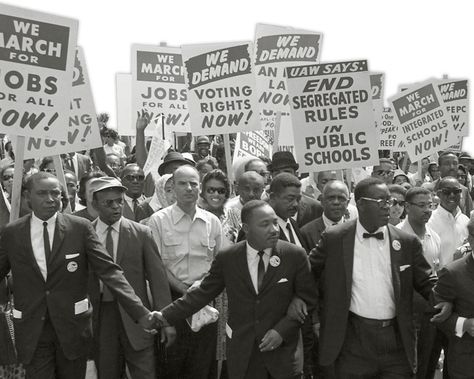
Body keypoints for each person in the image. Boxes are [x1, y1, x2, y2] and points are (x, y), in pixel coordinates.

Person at [0, 172, 160, 379]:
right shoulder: (12, 233)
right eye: (42, 193)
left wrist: (140, 313)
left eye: (55, 194)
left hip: (73, 328)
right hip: (33, 329)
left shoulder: (79, 228)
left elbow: (110, 272)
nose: (50, 199)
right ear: (27, 196)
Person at [155, 200, 318, 379]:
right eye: (265, 224)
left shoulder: (294, 255)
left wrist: (282, 330)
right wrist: (164, 316)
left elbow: (307, 298)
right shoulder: (228, 258)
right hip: (244, 354)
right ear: (246, 228)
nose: (274, 229)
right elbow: (202, 294)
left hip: (283, 355)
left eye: (274, 222)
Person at [309, 177, 451, 378]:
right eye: (381, 202)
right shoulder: (335, 238)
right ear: (360, 203)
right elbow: (307, 276)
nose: (389, 207)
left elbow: (426, 280)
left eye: (390, 201)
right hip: (352, 340)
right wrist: (314, 315)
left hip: (396, 339)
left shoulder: (406, 241)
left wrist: (443, 299)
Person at [88, 176, 175, 378]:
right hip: (102, 317)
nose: (116, 207)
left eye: (119, 200)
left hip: (138, 317)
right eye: (108, 203)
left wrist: (166, 320)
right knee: (107, 371)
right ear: (94, 204)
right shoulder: (86, 233)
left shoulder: (141, 233)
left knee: (144, 373)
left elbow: (157, 280)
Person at [148, 165, 222, 379]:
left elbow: (219, 263)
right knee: (172, 365)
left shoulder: (212, 222)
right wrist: (184, 289)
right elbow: (158, 265)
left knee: (202, 365)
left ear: (200, 187)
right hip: (173, 301)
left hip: (205, 302)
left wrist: (201, 290)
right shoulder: (159, 221)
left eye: (193, 183)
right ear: (172, 187)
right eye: (182, 183)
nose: (189, 188)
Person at [397, 187, 442, 379]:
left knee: (427, 363)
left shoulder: (435, 237)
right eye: (421, 205)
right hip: (404, 314)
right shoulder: (395, 236)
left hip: (430, 312)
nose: (427, 210)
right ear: (407, 207)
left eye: (430, 205)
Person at [433, 219, 474, 378]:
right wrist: (464, 324)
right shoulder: (452, 272)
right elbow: (436, 314)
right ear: (471, 239)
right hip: (467, 364)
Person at [268, 151, 323, 228]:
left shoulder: (316, 208)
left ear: (296, 174)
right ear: (272, 176)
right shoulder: (262, 209)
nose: (282, 176)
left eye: (287, 172)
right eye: (277, 172)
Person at [428, 177, 470, 268]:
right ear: (439, 194)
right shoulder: (430, 222)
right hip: (441, 279)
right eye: (446, 191)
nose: (452, 195)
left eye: (456, 191)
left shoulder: (466, 221)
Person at [301, 180, 350, 251]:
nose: (336, 202)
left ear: (348, 202)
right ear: (322, 201)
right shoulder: (306, 233)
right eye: (331, 198)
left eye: (341, 198)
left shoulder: (354, 231)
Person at [268, 173, 307, 250]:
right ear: (273, 198)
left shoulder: (292, 223)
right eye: (290, 199)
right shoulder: (262, 229)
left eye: (298, 199)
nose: (296, 204)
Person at [433, 152, 473, 216]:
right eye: (447, 164)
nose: (452, 167)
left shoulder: (464, 190)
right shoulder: (429, 188)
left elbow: (469, 216)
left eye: (455, 163)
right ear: (439, 168)